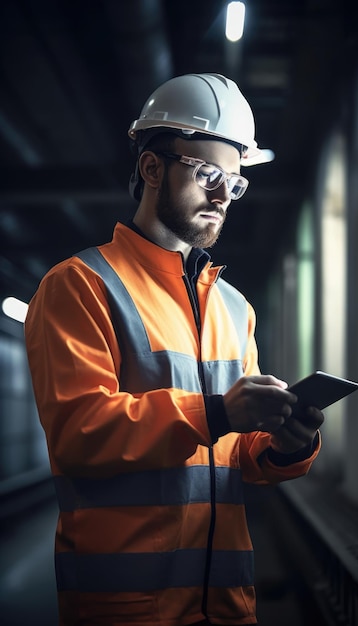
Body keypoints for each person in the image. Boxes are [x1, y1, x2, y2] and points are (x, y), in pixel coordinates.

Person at [25, 73, 324, 626]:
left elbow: (240, 455)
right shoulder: (81, 285)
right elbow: (78, 433)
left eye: (233, 184)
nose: (221, 196)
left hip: (228, 607)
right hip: (127, 610)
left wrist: (284, 445)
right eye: (208, 174)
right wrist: (216, 411)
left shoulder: (235, 307)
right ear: (152, 167)